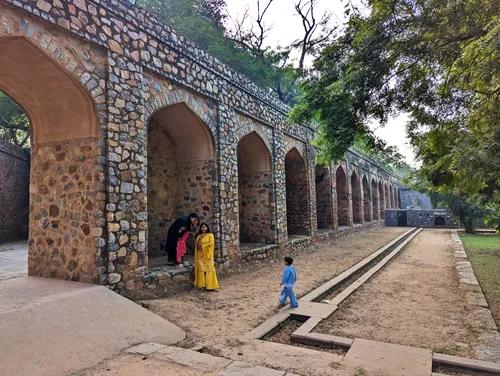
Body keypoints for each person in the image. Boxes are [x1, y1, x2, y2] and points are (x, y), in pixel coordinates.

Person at [194, 223, 219, 291]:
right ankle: (202, 285)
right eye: (202, 227)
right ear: (200, 228)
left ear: (207, 228)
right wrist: (200, 239)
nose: (203, 228)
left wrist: (203, 246)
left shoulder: (210, 235)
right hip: (200, 256)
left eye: (205, 227)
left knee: (210, 270)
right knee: (201, 270)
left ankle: (211, 286)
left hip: (208, 255)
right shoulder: (199, 236)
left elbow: (211, 244)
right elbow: (197, 247)